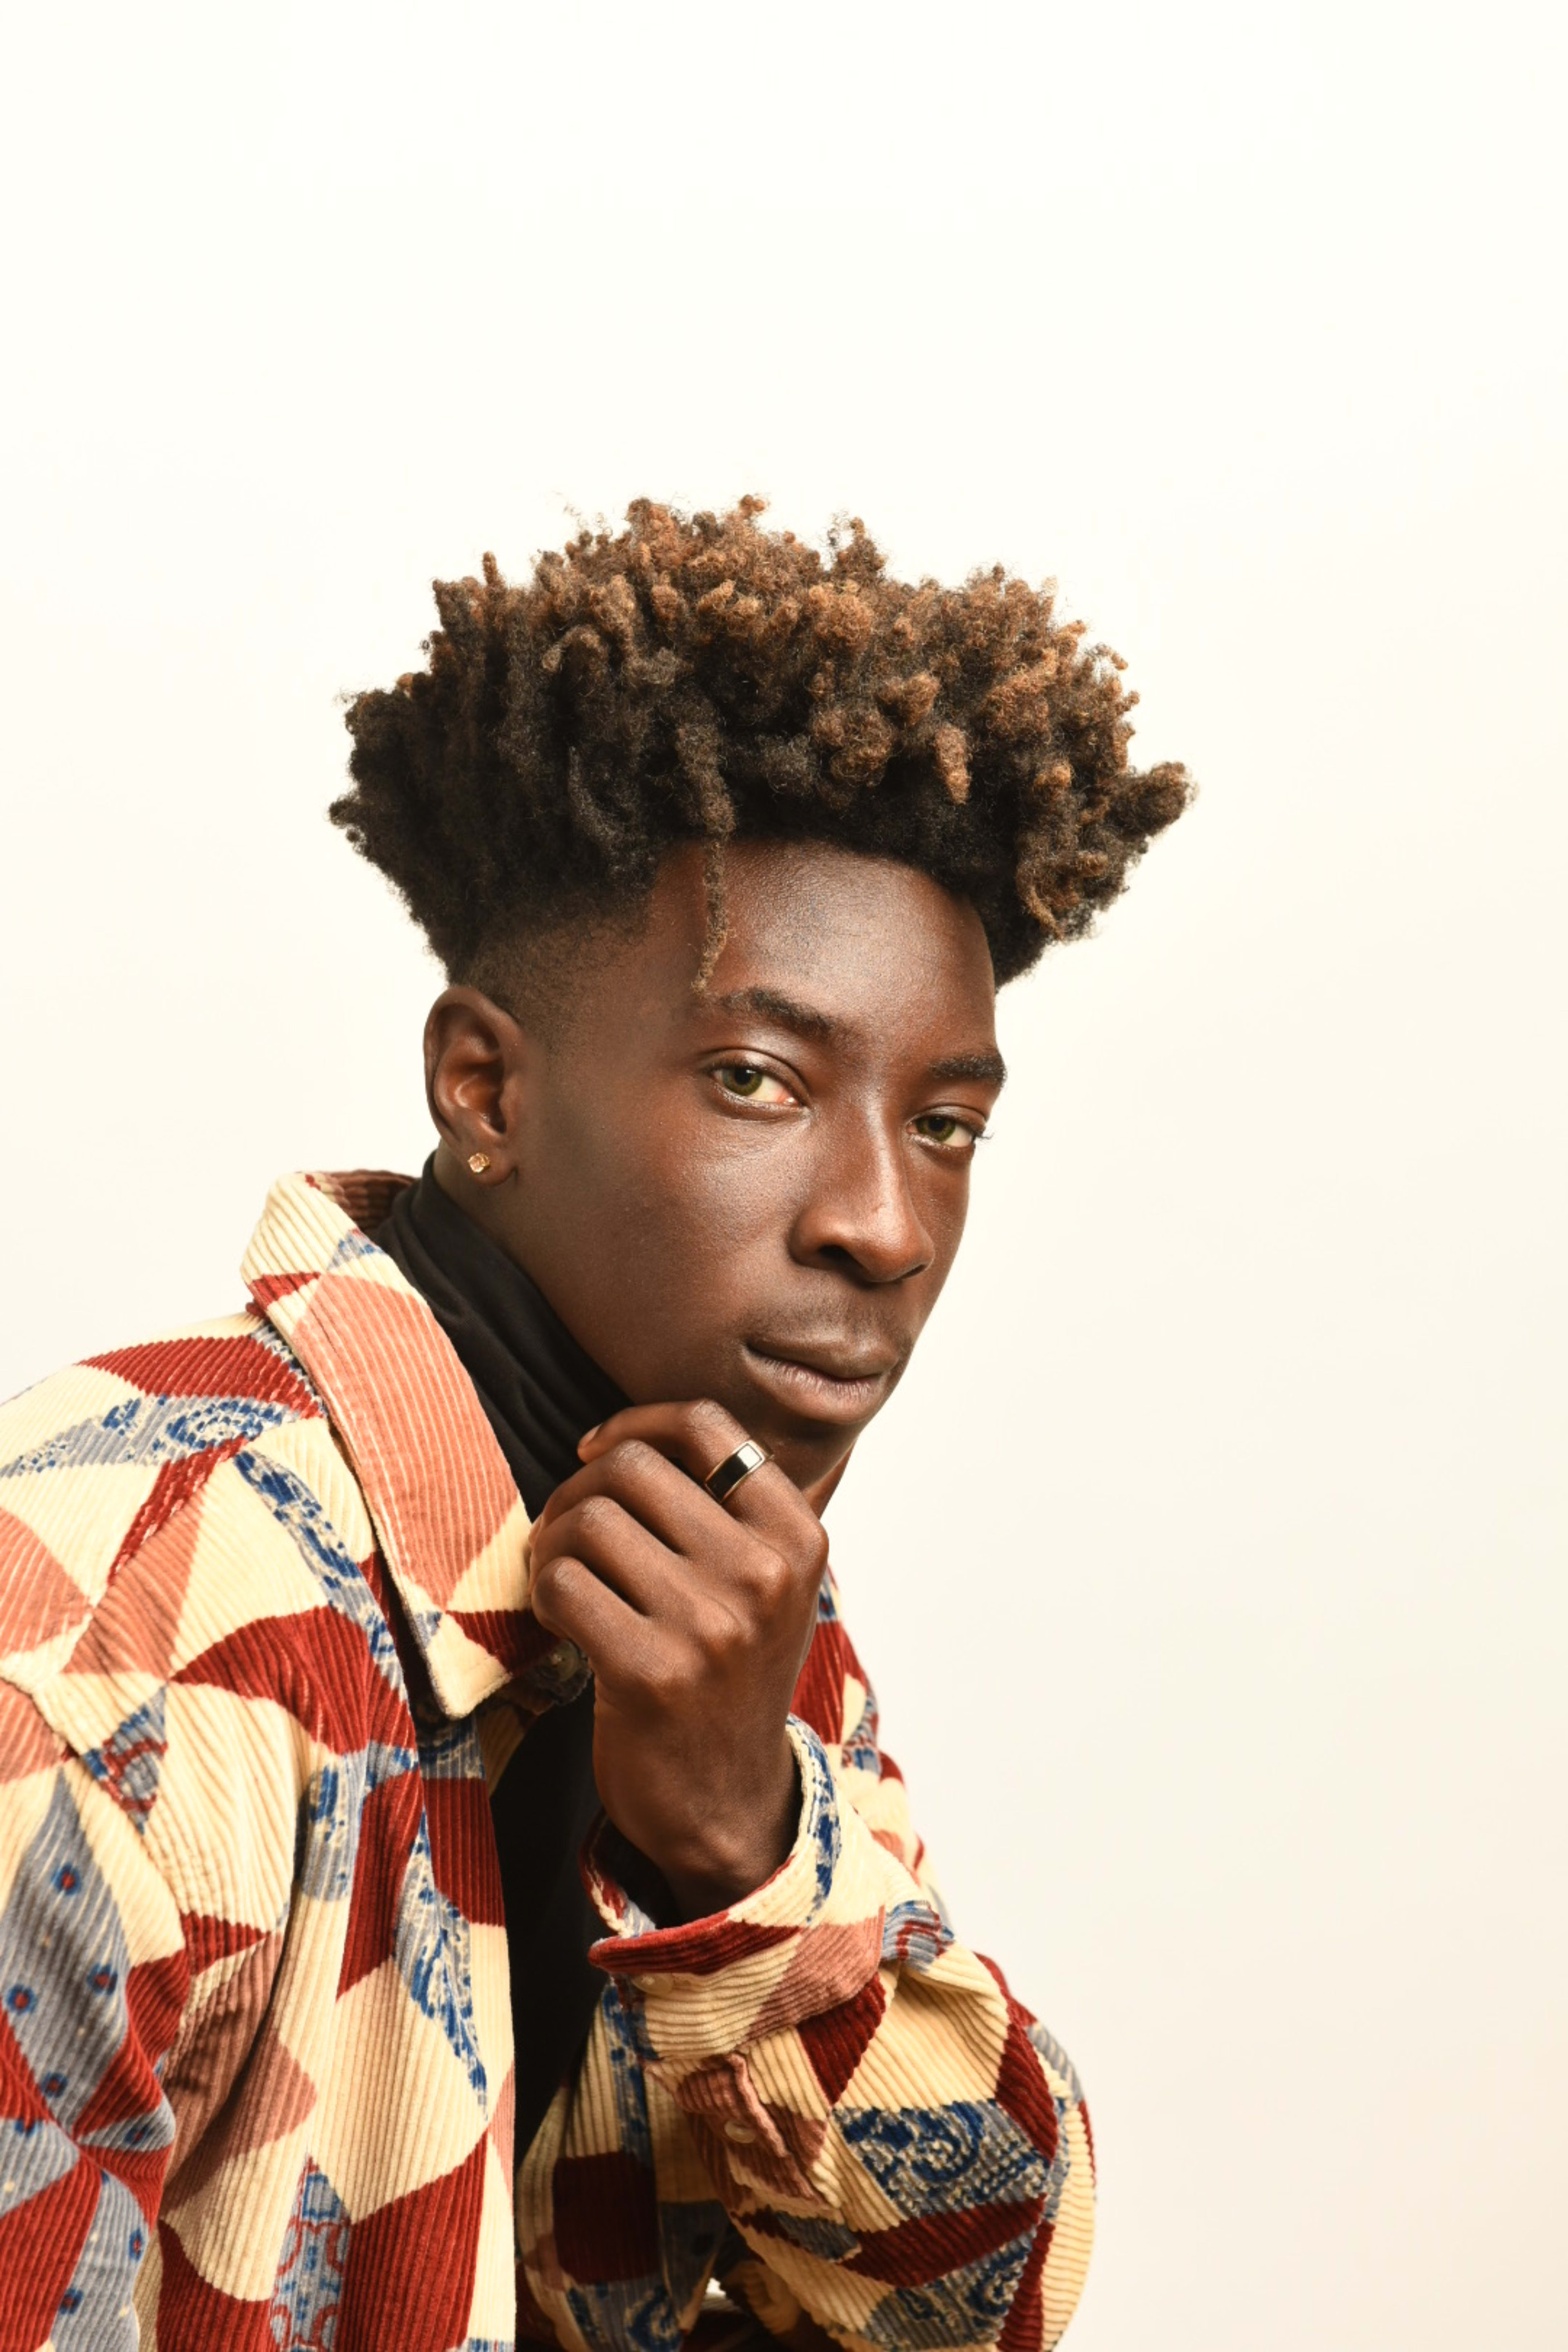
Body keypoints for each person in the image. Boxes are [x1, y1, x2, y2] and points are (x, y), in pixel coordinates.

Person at [0, 498, 1189, 2351]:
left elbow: (976, 2313)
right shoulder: (116, 1620)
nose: (884, 1222)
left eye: (947, 1123)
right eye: (758, 1081)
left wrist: (744, 1854)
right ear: (484, 1088)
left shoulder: (711, 1605)